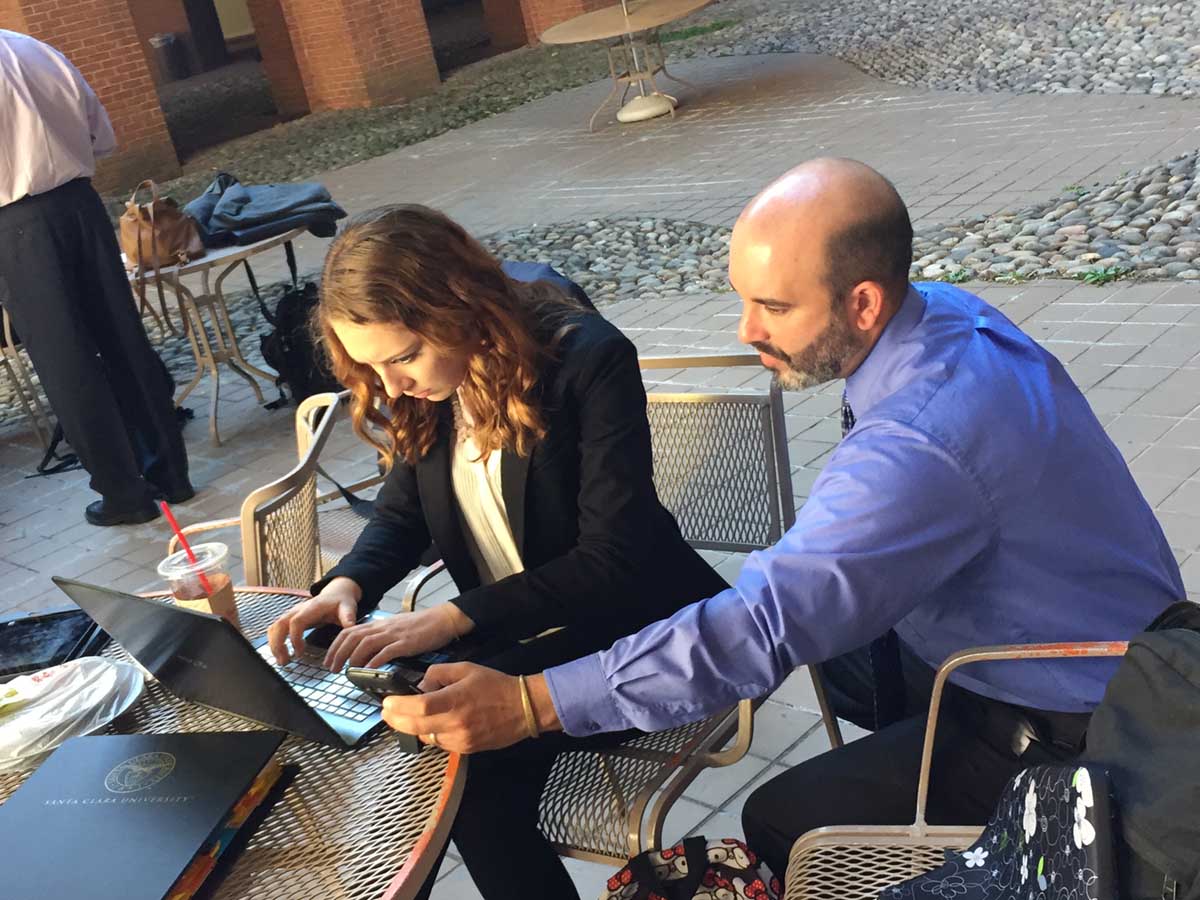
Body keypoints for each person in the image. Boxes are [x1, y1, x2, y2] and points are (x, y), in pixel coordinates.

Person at [378, 159, 1185, 881]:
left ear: (863, 302)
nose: (745, 331)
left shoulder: (917, 440)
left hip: (1069, 728)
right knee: (841, 663)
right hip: (1122, 638)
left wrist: (529, 706)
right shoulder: (940, 316)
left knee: (780, 820)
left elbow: (765, 623)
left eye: (772, 305)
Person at [264, 204, 728, 900]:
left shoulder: (589, 360)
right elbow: (402, 511)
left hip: (634, 630)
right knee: (403, 733)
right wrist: (347, 585)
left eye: (401, 358)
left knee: (455, 762)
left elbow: (613, 559)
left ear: (459, 304)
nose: (391, 387)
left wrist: (451, 620)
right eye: (372, 367)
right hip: (513, 627)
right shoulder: (426, 384)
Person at [0, 29, 192, 525]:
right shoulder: (34, 48)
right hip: (80, 206)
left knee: (68, 361)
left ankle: (124, 493)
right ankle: (171, 473)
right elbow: (100, 137)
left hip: (16, 226)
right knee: (123, 337)